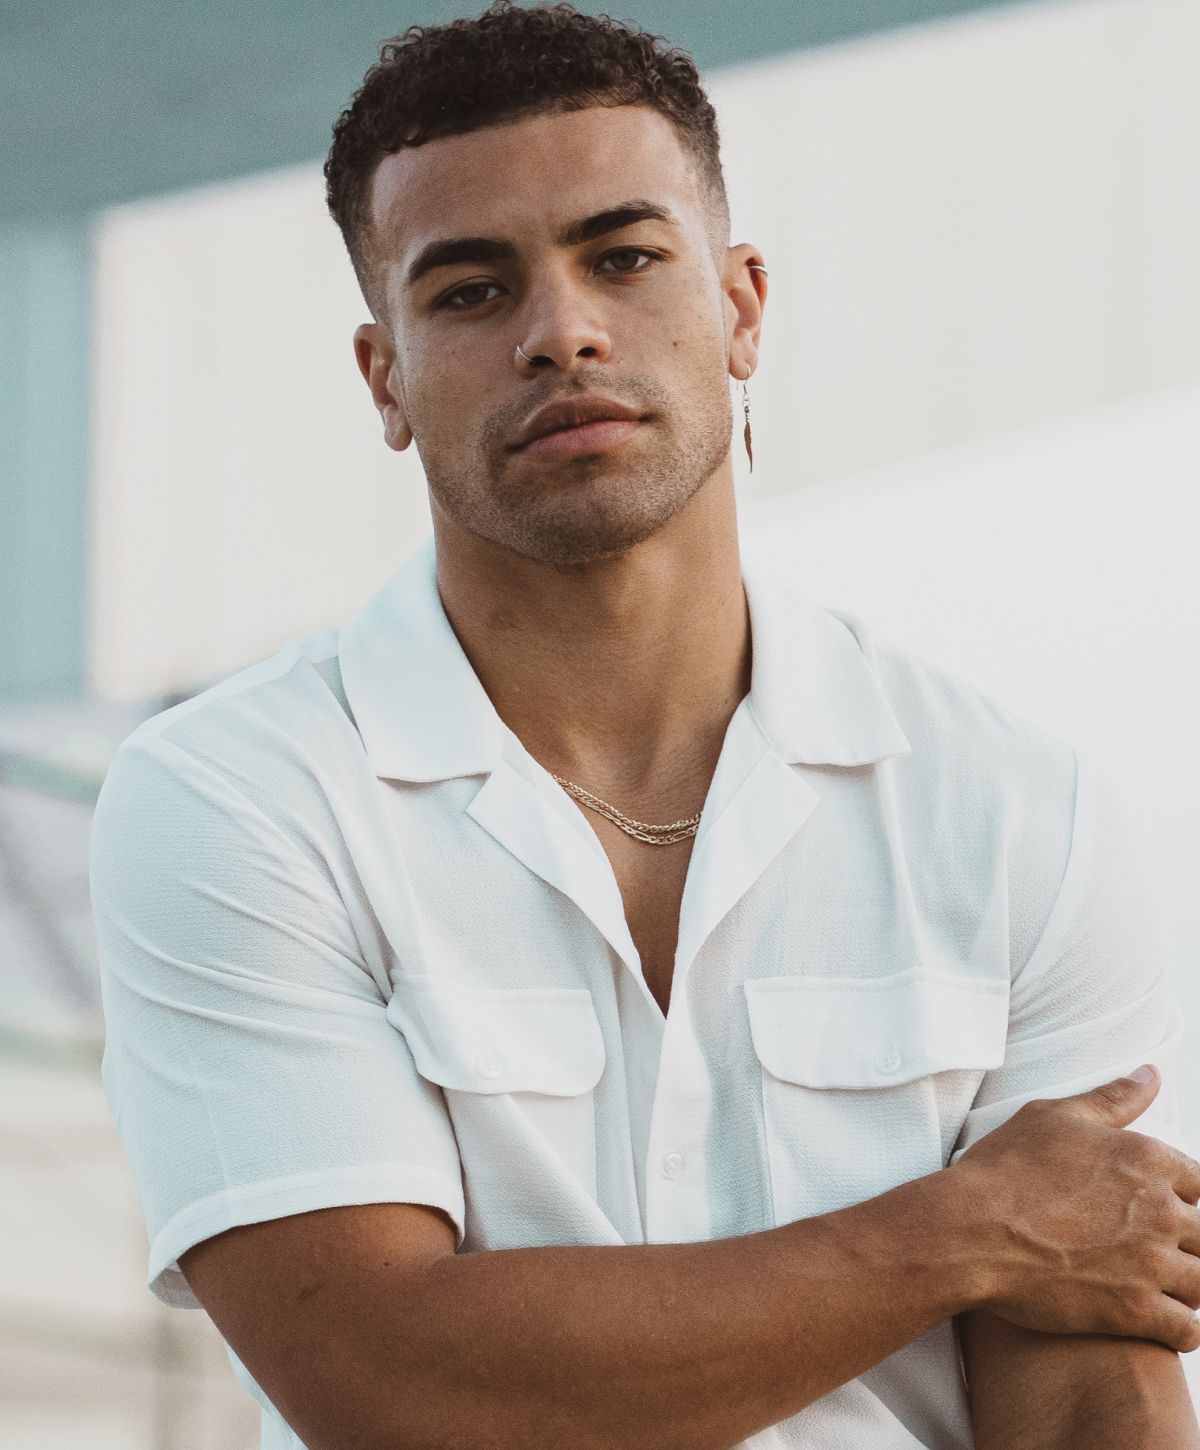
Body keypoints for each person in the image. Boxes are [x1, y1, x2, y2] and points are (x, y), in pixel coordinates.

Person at [89, 3, 1200, 1448]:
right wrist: (966, 1231)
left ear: (740, 306)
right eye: (472, 293)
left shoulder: (1011, 809)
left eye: (623, 257)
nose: (564, 333)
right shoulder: (237, 797)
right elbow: (391, 1384)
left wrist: (1028, 1246)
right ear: (386, 379)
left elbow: (1082, 1383)